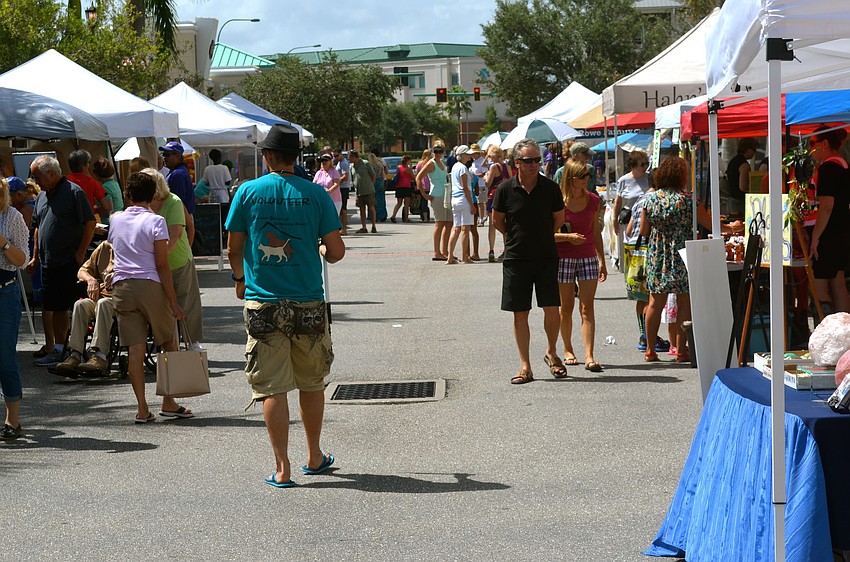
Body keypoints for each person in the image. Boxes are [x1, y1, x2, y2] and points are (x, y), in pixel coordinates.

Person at [225, 123, 345, 488]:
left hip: (263, 301)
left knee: (271, 387)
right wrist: (321, 248)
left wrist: (240, 280)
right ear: (296, 157)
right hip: (308, 300)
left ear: (268, 156)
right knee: (311, 382)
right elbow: (336, 252)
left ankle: (283, 468)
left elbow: (233, 248)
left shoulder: (248, 191)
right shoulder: (317, 194)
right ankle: (314, 455)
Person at [108, 172, 189, 422]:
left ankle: (142, 408)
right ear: (153, 195)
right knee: (168, 342)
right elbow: (162, 265)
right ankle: (168, 400)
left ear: (128, 195)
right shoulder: (156, 222)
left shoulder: (115, 219)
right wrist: (174, 301)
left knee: (135, 349)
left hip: (122, 286)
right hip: (150, 285)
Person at [492, 139, 565, 384]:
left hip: (546, 256)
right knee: (520, 313)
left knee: (552, 309)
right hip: (516, 258)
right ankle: (525, 365)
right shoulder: (505, 189)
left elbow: (558, 219)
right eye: (528, 160)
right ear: (517, 163)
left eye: (537, 160)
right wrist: (515, 238)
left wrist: (541, 236)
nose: (534, 164)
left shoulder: (551, 188)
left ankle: (552, 353)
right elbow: (497, 221)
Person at [28, 156, 96, 368]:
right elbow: (38, 226)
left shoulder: (74, 192)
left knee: (74, 307)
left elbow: (90, 223)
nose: (35, 180)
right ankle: (58, 349)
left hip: (69, 261)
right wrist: (35, 256)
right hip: (49, 262)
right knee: (54, 307)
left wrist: (80, 252)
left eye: (38, 176)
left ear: (51, 173)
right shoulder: (42, 195)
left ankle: (77, 350)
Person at [555, 159, 607, 372]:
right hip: (564, 257)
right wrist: (567, 237)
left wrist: (601, 260)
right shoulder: (558, 202)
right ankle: (568, 349)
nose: (587, 179)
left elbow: (596, 232)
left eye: (588, 175)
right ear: (570, 178)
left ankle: (589, 355)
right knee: (566, 306)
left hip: (587, 257)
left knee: (587, 307)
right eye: (582, 176)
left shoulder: (594, 200)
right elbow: (547, 235)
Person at [640, 156, 693, 363]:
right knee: (684, 303)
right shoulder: (687, 200)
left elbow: (644, 231)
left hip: (658, 254)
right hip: (681, 253)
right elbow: (707, 222)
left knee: (655, 302)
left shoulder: (650, 199)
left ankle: (650, 350)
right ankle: (681, 350)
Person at [143, 168, 205, 347]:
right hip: (154, 264)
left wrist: (156, 258)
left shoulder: (173, 201)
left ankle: (193, 342)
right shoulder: (142, 205)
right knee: (163, 306)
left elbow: (176, 234)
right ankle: (168, 343)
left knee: (187, 303)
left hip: (177, 261)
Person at [55, 241, 116, 376]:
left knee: (103, 304)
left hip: (123, 299)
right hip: (101, 296)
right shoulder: (105, 247)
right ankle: (75, 355)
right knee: (80, 304)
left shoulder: (135, 247)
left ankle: (100, 356)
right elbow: (82, 270)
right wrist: (91, 280)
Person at [0, 177, 31, 440]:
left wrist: (3, 243)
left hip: (4, 292)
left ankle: (13, 420)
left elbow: (23, 261)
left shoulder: (12, 217)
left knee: (5, 357)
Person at [809, 127, 850, 313]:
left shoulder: (828, 168)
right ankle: (844, 335)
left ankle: (825, 335)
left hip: (830, 234)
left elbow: (827, 205)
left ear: (824, 144)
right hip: (843, 231)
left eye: (812, 143)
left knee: (817, 287)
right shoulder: (844, 166)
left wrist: (816, 237)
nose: (810, 149)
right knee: (838, 283)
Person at [416, 145, 450, 260]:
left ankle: (445, 251)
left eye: (440, 151)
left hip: (446, 194)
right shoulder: (431, 163)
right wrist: (424, 194)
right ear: (432, 152)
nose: (438, 153)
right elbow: (418, 177)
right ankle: (437, 252)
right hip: (437, 195)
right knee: (439, 223)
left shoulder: (443, 162)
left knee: (448, 223)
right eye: (436, 151)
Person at [446, 145, 476, 265]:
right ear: (462, 155)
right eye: (467, 154)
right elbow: (465, 187)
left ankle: (450, 256)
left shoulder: (454, 167)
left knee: (456, 228)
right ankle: (465, 256)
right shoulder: (463, 168)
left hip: (455, 199)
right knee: (465, 228)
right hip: (463, 199)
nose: (469, 156)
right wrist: (472, 204)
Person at [67, 149, 112, 220]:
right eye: (88, 163)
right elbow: (106, 208)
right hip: (87, 221)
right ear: (83, 166)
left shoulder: (64, 181)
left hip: (68, 221)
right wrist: (94, 210)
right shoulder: (92, 182)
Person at [484, 146, 509, 263]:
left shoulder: (494, 167)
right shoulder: (506, 166)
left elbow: (488, 183)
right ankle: (506, 250)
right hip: (505, 197)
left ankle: (491, 250)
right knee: (505, 224)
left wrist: (486, 176)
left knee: (492, 225)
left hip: (493, 197)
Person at [724, 137, 759, 215]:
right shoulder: (744, 165)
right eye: (754, 149)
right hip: (739, 202)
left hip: (730, 200)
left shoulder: (733, 161)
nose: (754, 153)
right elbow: (743, 187)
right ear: (748, 149)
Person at [159, 141, 195, 214]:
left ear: (177, 156)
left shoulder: (178, 174)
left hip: (179, 217)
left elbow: (178, 201)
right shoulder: (176, 172)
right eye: (163, 155)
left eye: (167, 155)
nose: (164, 158)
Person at [349, 150, 377, 234]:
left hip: (368, 190)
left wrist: (371, 184)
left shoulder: (365, 163)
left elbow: (373, 175)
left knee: (371, 208)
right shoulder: (352, 166)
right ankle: (364, 227)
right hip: (359, 191)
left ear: (354, 157)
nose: (349, 159)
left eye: (350, 158)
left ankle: (373, 226)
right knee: (361, 209)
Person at [91, 156, 123, 224]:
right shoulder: (115, 184)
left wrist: (95, 210)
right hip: (119, 220)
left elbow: (108, 209)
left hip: (110, 222)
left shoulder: (105, 187)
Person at [390, 155, 415, 223]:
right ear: (407, 161)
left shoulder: (399, 168)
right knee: (406, 204)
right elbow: (413, 177)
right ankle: (406, 218)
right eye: (410, 160)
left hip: (399, 187)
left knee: (399, 203)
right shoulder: (408, 169)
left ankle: (393, 215)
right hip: (406, 187)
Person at [333, 149, 351, 235]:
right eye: (334, 156)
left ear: (341, 154)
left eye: (337, 156)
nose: (335, 158)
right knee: (340, 208)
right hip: (341, 187)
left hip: (343, 187)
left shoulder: (343, 163)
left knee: (343, 208)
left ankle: (344, 228)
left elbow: (345, 176)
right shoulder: (339, 163)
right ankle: (341, 228)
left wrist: (336, 181)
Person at [369, 151, 389, 222]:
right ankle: (382, 215)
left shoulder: (370, 165)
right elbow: (385, 172)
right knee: (381, 199)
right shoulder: (381, 162)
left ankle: (373, 215)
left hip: (373, 182)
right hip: (380, 181)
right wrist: (383, 181)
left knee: (372, 200)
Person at [415, 149, 432, 223]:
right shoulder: (431, 163)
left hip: (422, 185)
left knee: (423, 202)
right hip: (430, 184)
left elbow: (417, 174)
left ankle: (425, 218)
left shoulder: (420, 163)